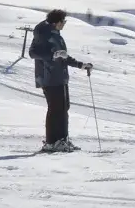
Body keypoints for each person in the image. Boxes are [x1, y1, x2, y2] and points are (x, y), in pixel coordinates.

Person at [29, 9, 92, 152]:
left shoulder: (56, 35)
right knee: (55, 109)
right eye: (63, 21)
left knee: (63, 108)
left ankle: (62, 140)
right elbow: (33, 53)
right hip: (49, 77)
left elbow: (62, 56)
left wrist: (80, 65)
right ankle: (51, 142)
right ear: (57, 22)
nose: (64, 24)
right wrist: (53, 56)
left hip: (60, 76)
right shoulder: (43, 34)